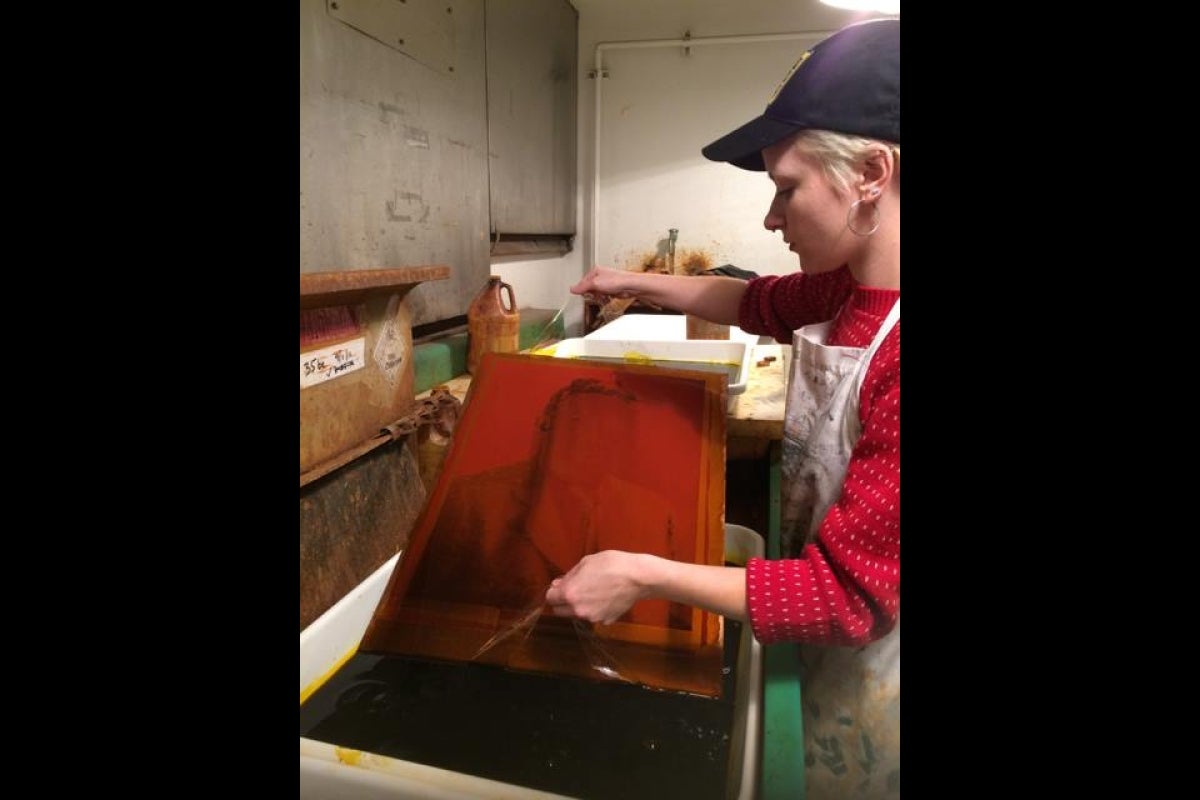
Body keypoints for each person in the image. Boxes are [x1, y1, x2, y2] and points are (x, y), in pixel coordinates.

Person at [544, 17, 900, 799]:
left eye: (785, 188)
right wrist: (632, 283)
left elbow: (845, 597)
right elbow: (753, 300)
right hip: (816, 641)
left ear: (872, 172)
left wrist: (645, 573)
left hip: (874, 672)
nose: (772, 220)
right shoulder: (850, 290)